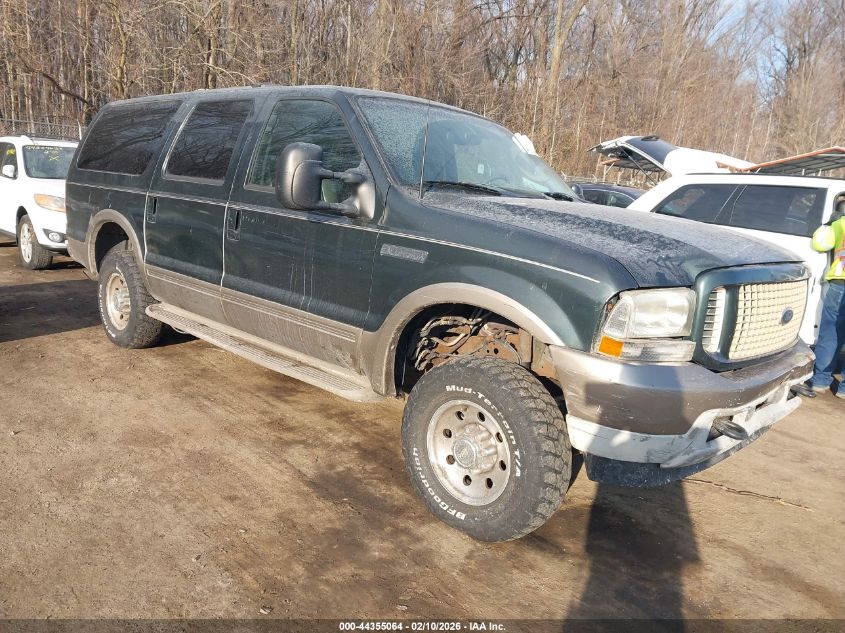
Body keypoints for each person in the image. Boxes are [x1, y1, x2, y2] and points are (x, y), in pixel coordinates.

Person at [793, 198, 845, 399]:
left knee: (831, 332)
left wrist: (828, 224)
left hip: (840, 281)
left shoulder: (840, 223)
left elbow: (820, 243)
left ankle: (821, 381)